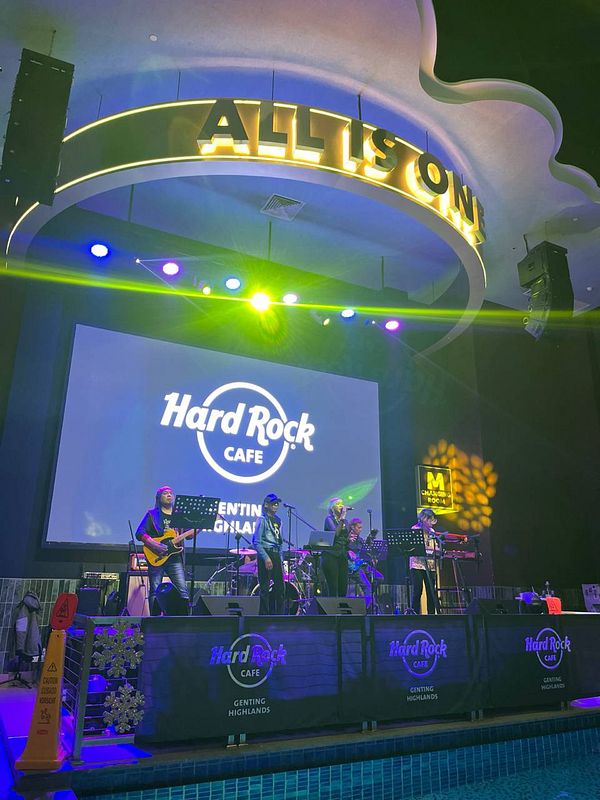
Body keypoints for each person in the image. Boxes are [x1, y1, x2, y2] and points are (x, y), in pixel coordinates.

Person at [136, 485, 190, 615]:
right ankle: (154, 621)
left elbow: (190, 535)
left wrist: (202, 526)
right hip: (156, 556)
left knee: (183, 590)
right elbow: (140, 533)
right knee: (155, 590)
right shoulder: (152, 514)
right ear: (159, 498)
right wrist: (154, 545)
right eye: (166, 493)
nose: (169, 495)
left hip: (175, 558)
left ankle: (183, 621)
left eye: (171, 493)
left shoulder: (179, 516)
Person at [252, 493, 285, 615]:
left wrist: (280, 558)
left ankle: (279, 614)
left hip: (276, 554)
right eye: (273, 503)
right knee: (265, 588)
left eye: (277, 504)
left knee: (280, 588)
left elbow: (280, 541)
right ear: (267, 505)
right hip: (266, 554)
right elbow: (256, 542)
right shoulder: (262, 520)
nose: (276, 506)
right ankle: (264, 615)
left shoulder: (278, 520)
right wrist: (266, 557)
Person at [347, 518, 383, 610]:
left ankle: (369, 598)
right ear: (352, 527)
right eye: (359, 527)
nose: (360, 529)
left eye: (361, 527)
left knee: (379, 577)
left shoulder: (360, 540)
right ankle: (367, 608)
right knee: (367, 586)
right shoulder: (347, 538)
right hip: (354, 567)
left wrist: (372, 557)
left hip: (362, 564)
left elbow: (365, 551)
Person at [410, 508, 441, 614]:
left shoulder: (432, 532)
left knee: (431, 591)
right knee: (417, 591)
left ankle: (431, 614)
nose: (432, 522)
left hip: (430, 564)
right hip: (417, 564)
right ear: (424, 519)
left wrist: (438, 550)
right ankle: (415, 614)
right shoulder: (415, 529)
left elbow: (434, 547)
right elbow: (414, 548)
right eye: (430, 519)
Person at [322, 497, 350, 597]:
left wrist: (350, 540)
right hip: (331, 556)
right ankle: (333, 611)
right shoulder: (329, 519)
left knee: (343, 586)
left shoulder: (345, 522)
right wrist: (342, 518)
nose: (341, 506)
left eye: (342, 504)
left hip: (342, 556)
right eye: (338, 504)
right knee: (333, 587)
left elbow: (345, 540)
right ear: (332, 507)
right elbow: (335, 534)